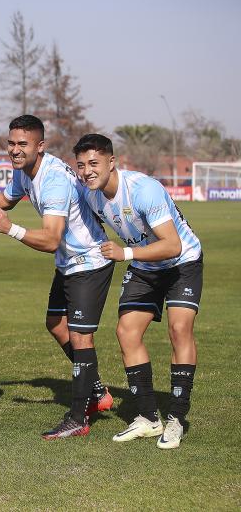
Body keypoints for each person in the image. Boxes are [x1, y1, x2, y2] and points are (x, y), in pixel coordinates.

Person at [0, 115, 114, 440]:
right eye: (11, 143)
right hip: (69, 263)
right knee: (55, 323)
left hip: (88, 261)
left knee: (80, 337)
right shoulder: (25, 172)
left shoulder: (53, 180)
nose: (15, 150)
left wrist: (11, 229)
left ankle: (79, 417)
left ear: (40, 146)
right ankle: (97, 391)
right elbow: (5, 199)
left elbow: (50, 239)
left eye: (23, 144)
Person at [74, 134, 202, 449]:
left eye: (94, 163)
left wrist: (125, 254)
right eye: (81, 165)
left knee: (179, 328)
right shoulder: (90, 194)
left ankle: (176, 419)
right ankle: (148, 417)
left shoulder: (144, 190)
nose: (87, 171)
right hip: (146, 267)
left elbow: (173, 245)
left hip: (182, 262)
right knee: (127, 332)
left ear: (111, 162)